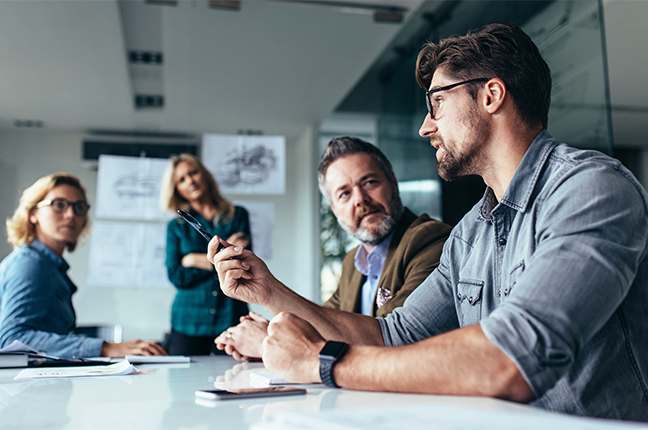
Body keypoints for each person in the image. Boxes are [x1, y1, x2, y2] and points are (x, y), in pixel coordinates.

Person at [208, 22, 648, 422]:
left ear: (491, 96)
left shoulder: (590, 190)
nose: (425, 127)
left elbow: (511, 358)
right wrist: (268, 290)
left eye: (437, 103)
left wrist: (323, 362)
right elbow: (392, 334)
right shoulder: (472, 231)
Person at [214, 137, 452, 360]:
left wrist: (268, 341)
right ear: (334, 209)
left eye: (369, 182)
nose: (360, 199)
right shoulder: (353, 262)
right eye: (345, 193)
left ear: (393, 183)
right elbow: (323, 324)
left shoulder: (431, 240)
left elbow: (390, 341)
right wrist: (273, 330)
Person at [0, 173, 166, 358]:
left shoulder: (51, 266)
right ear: (33, 214)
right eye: (59, 205)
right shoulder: (30, 263)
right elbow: (12, 340)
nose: (71, 214)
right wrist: (105, 348)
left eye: (79, 207)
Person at [161, 153, 251, 355]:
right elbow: (176, 275)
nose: (190, 181)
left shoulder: (238, 216)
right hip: (188, 321)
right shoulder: (176, 227)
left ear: (204, 175)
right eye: (182, 180)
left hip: (230, 317)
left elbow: (242, 265)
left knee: (234, 379)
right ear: (177, 190)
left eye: (193, 173)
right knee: (185, 384)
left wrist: (192, 260)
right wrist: (221, 260)